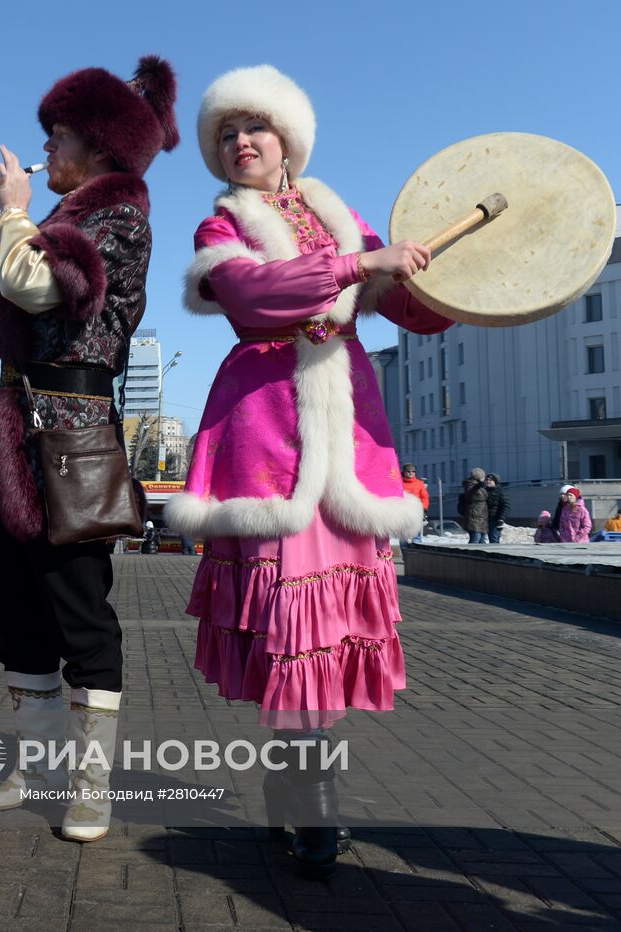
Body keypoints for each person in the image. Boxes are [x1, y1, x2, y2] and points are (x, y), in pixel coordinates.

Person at [163, 66, 454, 877]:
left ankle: (298, 803)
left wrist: (446, 280)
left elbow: (412, 307)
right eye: (227, 134)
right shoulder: (219, 229)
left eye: (255, 127)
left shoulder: (340, 213)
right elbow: (256, 300)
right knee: (290, 628)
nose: (241, 141)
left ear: (287, 139)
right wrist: (362, 268)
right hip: (266, 435)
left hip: (349, 433)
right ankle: (310, 808)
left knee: (321, 634)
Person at [0, 56, 178, 842]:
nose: (43, 152)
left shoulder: (118, 220)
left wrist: (12, 214)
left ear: (103, 148)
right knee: (14, 607)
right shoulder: (60, 223)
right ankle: (40, 766)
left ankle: (92, 786)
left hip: (71, 430)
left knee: (80, 610)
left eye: (58, 137)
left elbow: (43, 289)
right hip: (13, 425)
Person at [458, 468, 490, 544]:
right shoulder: (470, 484)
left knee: (482, 540)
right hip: (474, 515)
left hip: (481, 516)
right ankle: (469, 553)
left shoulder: (479, 485)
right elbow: (470, 493)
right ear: (479, 477)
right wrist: (478, 486)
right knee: (476, 538)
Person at [401, 465, 429, 543]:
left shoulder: (419, 483)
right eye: (408, 471)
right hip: (403, 511)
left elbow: (424, 497)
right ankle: (405, 549)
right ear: (404, 472)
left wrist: (424, 508)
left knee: (416, 532)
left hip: (416, 510)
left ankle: (416, 547)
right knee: (404, 534)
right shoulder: (398, 483)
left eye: (413, 471)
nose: (411, 473)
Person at [485, 473, 509, 544]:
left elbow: (506, 506)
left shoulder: (500, 492)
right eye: (487, 479)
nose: (488, 481)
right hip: (485, 519)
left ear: (495, 481)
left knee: (494, 540)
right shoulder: (484, 491)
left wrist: (501, 518)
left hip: (495, 520)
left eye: (490, 480)